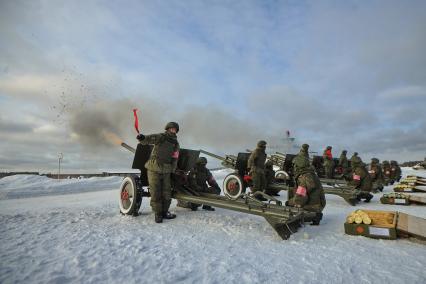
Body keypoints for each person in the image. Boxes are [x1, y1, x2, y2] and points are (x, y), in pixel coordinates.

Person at [137, 122, 180, 223]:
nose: (173, 130)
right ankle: (158, 214)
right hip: (154, 167)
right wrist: (142, 138)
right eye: (172, 128)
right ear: (168, 128)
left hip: (166, 169)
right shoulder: (161, 137)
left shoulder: (176, 143)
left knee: (166, 192)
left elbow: (175, 157)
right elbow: (150, 139)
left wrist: (172, 169)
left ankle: (165, 212)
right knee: (155, 191)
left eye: (175, 129)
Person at [288, 143, 326, 225]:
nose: (294, 167)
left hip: (315, 207)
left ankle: (314, 215)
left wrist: (289, 202)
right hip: (319, 204)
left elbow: (300, 198)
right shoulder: (311, 173)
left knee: (292, 205)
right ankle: (316, 215)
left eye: (295, 165)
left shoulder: (304, 177)